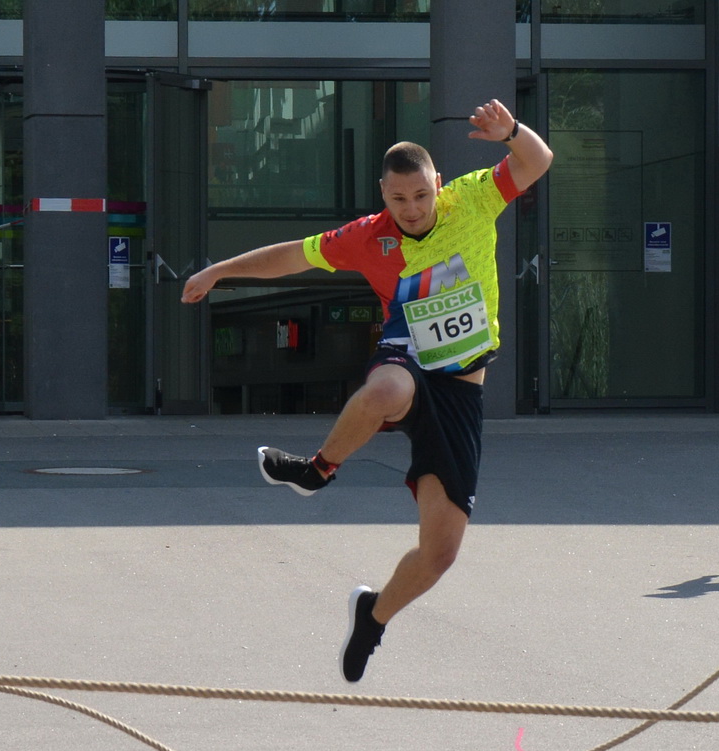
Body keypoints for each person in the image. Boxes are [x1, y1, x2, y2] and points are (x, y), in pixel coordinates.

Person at [181, 100, 553, 682]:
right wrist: (219, 271)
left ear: (437, 184)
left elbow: (538, 160)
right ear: (383, 194)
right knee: (384, 393)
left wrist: (510, 134)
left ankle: (373, 616)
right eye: (398, 199)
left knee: (441, 553)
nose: (411, 210)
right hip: (406, 359)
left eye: (421, 196)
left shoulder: (474, 198)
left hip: (460, 391)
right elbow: (290, 258)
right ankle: (316, 470)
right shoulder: (367, 237)